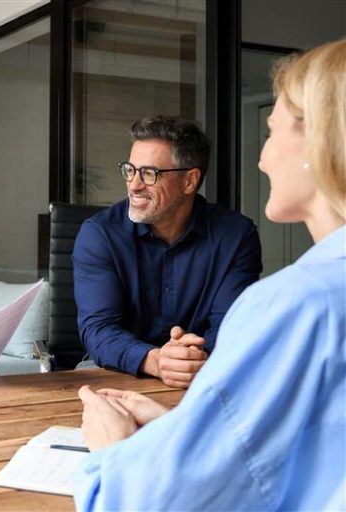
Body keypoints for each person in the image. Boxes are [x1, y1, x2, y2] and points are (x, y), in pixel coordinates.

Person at [76, 39, 346, 510]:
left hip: (195, 391)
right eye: (129, 169)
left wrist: (114, 450)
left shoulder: (293, 302)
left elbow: (158, 501)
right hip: (154, 386)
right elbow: (299, 458)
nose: (261, 159)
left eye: (271, 131)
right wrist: (163, 384)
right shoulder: (100, 233)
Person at [72, 116, 262, 388]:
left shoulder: (236, 236)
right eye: (130, 170)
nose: (134, 185)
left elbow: (229, 325)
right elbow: (99, 330)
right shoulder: (100, 234)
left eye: (149, 174)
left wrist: (189, 359)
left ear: (190, 181)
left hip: (203, 371)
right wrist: (156, 360)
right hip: (116, 371)